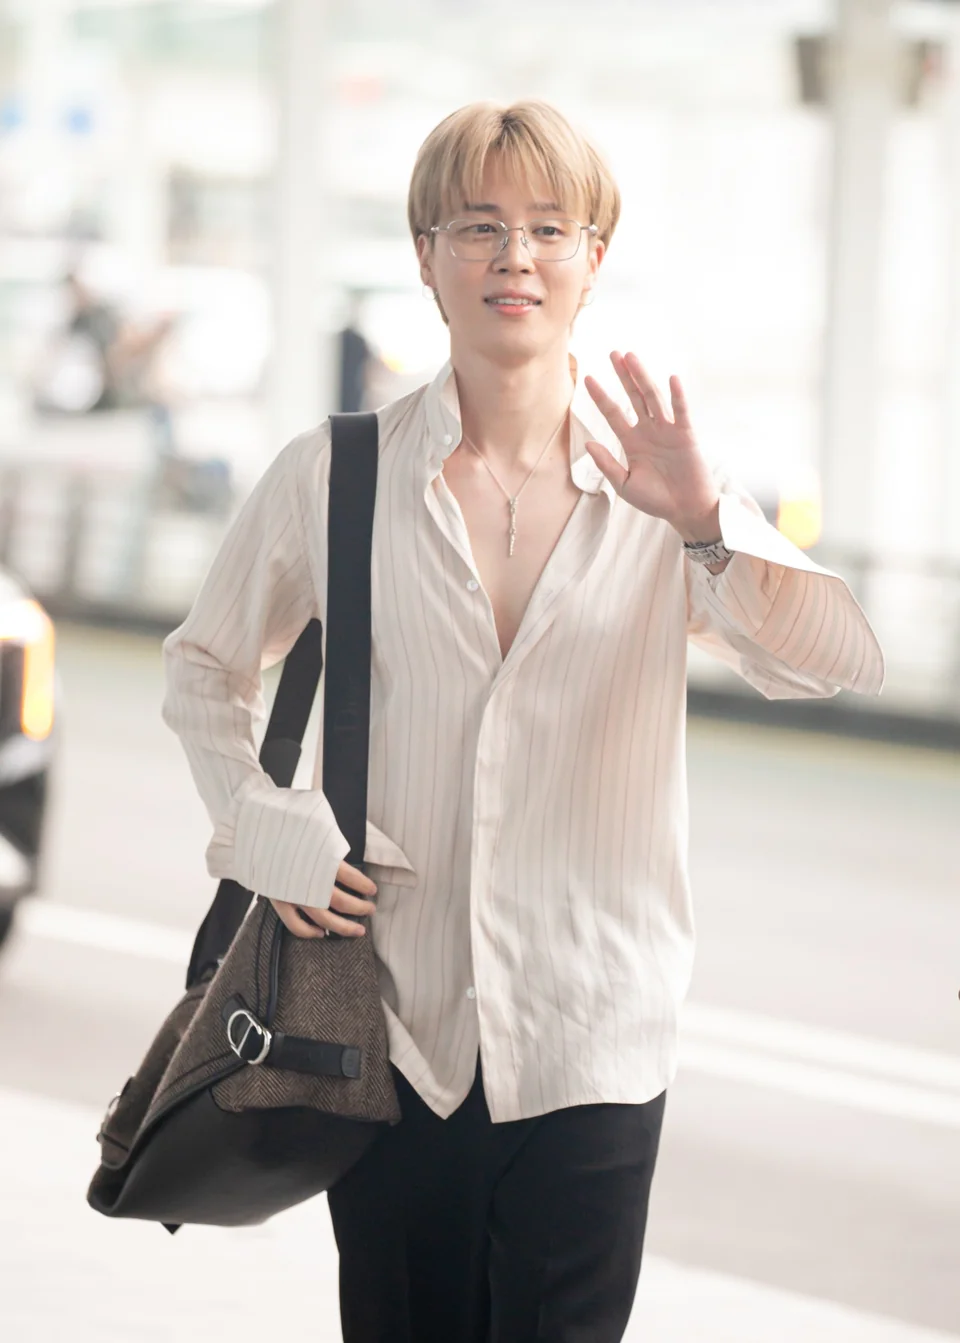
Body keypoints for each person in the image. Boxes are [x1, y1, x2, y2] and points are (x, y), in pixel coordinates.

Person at [161, 100, 884, 1342]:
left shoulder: (664, 485)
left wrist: (706, 526)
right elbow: (201, 668)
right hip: (393, 1038)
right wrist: (264, 826)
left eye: (552, 228)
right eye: (479, 226)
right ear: (425, 254)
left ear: (594, 259)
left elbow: (826, 665)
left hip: (593, 1037)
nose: (516, 256)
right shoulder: (336, 472)